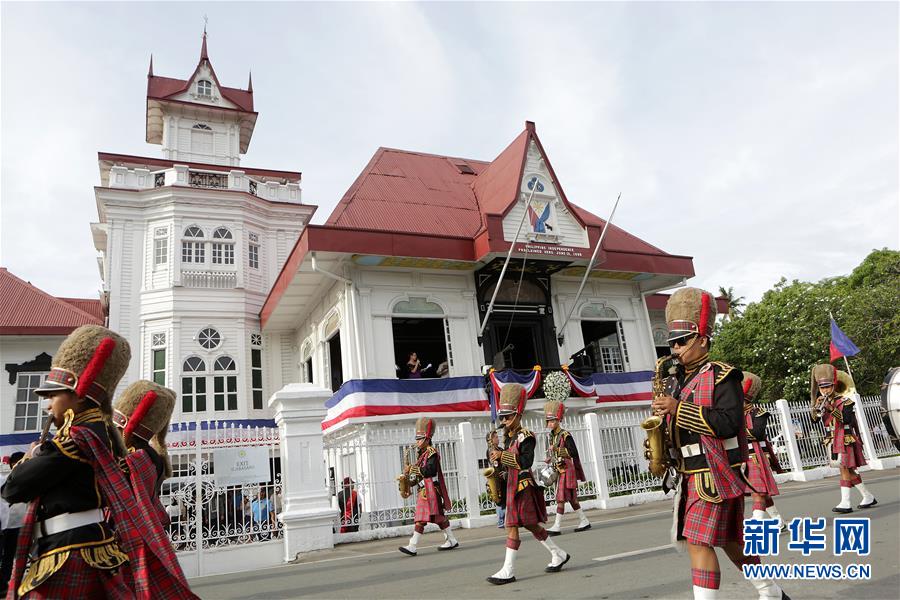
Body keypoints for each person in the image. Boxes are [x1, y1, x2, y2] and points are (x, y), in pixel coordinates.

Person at [651, 288, 787, 600]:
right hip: (689, 476)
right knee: (732, 544)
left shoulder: (724, 377)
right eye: (672, 340)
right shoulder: (672, 380)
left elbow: (729, 423)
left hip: (716, 473)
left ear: (702, 338)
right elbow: (670, 427)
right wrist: (657, 442)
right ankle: (772, 592)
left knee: (699, 543)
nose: (675, 347)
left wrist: (677, 408)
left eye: (682, 340)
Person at [487, 383, 570, 585]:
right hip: (510, 486)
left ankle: (508, 570)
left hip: (523, 486)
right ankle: (558, 553)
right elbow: (507, 464)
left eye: (507, 416)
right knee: (531, 525)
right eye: (502, 417)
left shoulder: (527, 436)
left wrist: (503, 456)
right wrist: (496, 464)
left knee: (512, 526)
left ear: (517, 414)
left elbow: (525, 462)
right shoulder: (507, 438)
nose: (504, 421)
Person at [810, 364, 876, 512]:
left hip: (845, 437)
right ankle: (868, 496)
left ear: (834, 386)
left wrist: (831, 408)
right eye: (822, 388)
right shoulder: (823, 401)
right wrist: (815, 407)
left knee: (844, 469)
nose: (825, 390)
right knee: (847, 470)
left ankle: (845, 502)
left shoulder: (845, 401)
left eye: (827, 387)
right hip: (832, 439)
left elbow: (846, 420)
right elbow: (814, 421)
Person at [398, 417, 459, 555]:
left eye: (419, 439)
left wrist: (412, 469)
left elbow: (430, 471)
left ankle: (412, 545)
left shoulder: (432, 453)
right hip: (424, 490)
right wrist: (408, 483)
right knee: (438, 518)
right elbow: (421, 476)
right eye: (417, 438)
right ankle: (452, 540)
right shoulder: (422, 455)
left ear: (427, 438)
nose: (417, 442)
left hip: (430, 490)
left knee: (420, 519)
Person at [741, 372, 787, 531]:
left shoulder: (759, 413)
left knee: (758, 492)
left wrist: (735, 429)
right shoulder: (734, 415)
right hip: (742, 457)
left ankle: (756, 524)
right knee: (761, 493)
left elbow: (757, 433)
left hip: (757, 456)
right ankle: (778, 521)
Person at [543, 400, 591, 535]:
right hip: (559, 469)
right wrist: (550, 457)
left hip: (567, 469)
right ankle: (584, 520)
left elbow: (573, 453)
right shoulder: (551, 436)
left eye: (552, 421)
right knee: (571, 498)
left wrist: (557, 449)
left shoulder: (565, 435)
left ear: (558, 420)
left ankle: (557, 526)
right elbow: (556, 453)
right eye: (548, 421)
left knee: (561, 498)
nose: (549, 424)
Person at [1, 452, 25, 590]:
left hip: (18, 525)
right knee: (6, 556)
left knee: (11, 556)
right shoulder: (5, 479)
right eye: (14, 464)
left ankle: (5, 583)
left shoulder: (30, 480)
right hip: (5, 525)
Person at [485, 430, 506, 528]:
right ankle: (501, 521)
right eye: (496, 437)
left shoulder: (500, 449)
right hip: (497, 477)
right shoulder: (491, 450)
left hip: (503, 475)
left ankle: (503, 520)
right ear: (491, 440)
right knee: (499, 500)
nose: (498, 438)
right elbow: (495, 464)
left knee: (503, 499)